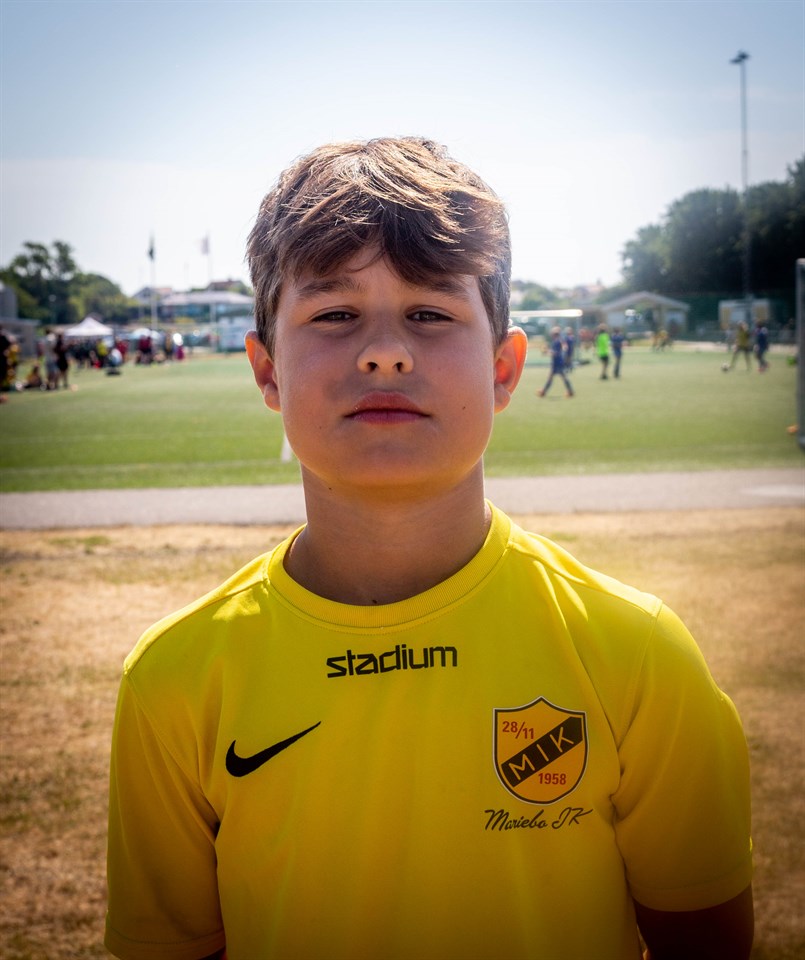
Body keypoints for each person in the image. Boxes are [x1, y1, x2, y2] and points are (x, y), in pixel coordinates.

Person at [105, 137, 753, 960]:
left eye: (430, 314)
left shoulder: (634, 653)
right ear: (266, 371)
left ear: (503, 369)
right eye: (334, 315)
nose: (385, 350)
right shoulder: (173, 679)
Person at [537, 325, 574, 397]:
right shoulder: (558, 341)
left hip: (557, 362)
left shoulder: (557, 342)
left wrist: (546, 352)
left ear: (554, 334)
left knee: (560, 377)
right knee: (558, 377)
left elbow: (556, 353)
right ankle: (544, 391)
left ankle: (544, 392)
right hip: (558, 362)